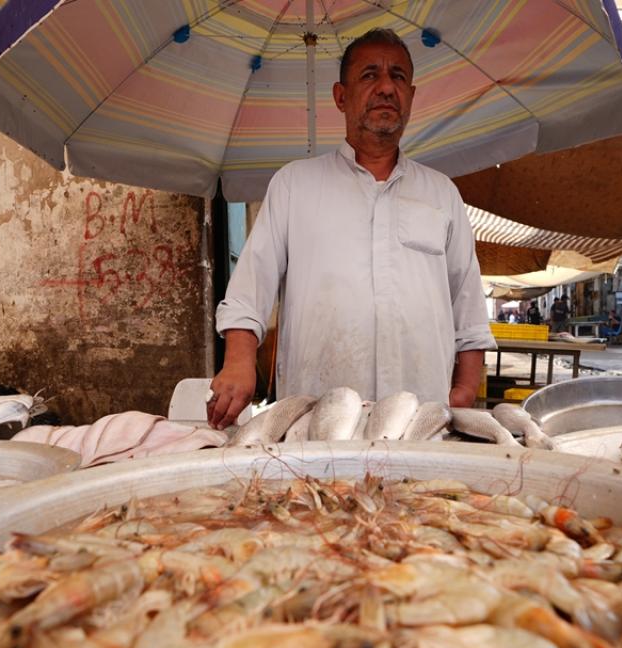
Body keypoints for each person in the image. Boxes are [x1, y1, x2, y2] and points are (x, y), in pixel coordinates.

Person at [208, 29, 494, 429]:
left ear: (411, 95)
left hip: (419, 419)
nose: (386, 87)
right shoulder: (294, 185)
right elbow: (251, 286)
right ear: (341, 96)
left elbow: (467, 302)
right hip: (314, 418)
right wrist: (239, 361)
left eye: (397, 76)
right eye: (369, 75)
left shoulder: (441, 193)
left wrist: (464, 389)